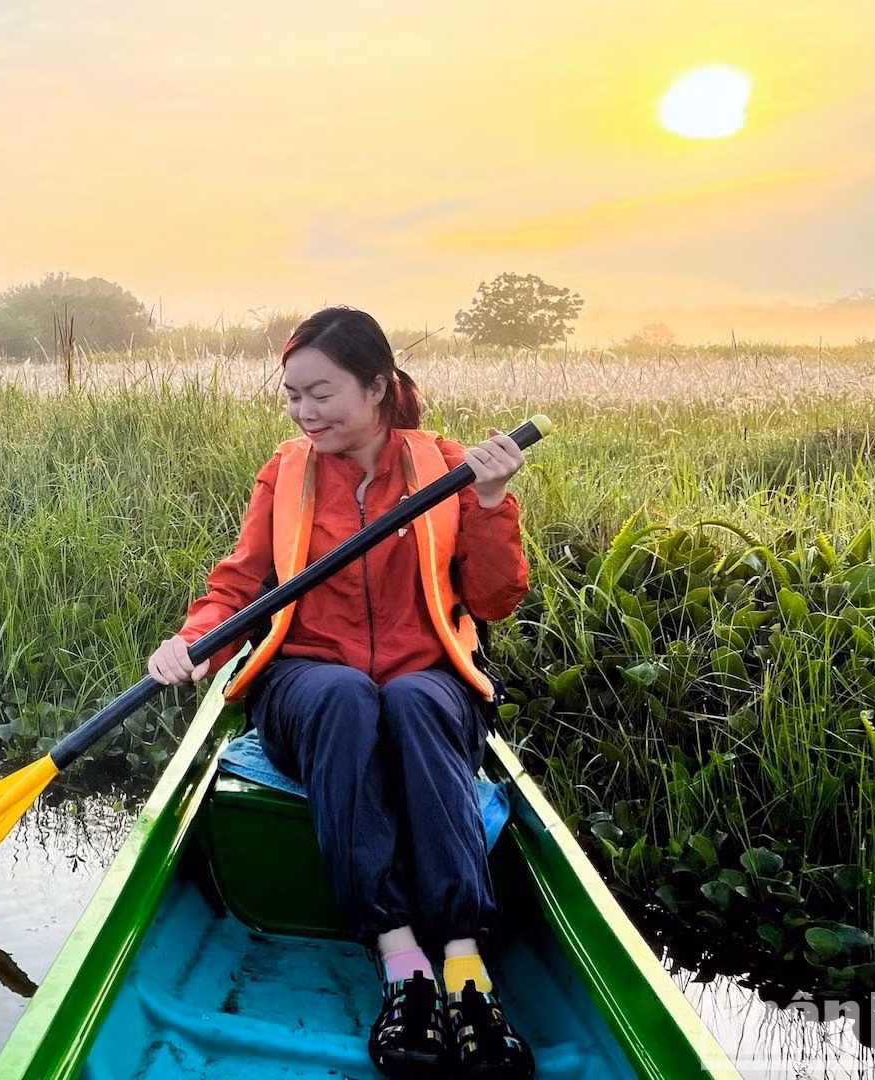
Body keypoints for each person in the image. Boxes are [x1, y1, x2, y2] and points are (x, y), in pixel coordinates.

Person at [146, 307, 534, 1080]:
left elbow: (492, 601)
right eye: (292, 396)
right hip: (308, 685)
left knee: (414, 702)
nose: (304, 412)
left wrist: (491, 506)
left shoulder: (446, 467)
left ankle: (464, 967)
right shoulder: (285, 471)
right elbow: (237, 583)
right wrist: (193, 640)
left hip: (427, 677)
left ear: (379, 386)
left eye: (320, 393)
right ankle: (401, 966)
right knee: (348, 698)